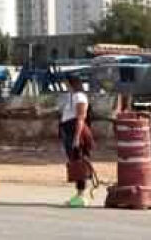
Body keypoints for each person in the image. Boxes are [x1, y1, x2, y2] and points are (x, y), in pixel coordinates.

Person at [59, 72, 94, 208]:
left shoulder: (80, 97)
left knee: (79, 163)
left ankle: (81, 195)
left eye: (66, 82)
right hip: (68, 130)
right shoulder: (71, 96)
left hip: (75, 130)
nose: (65, 84)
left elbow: (80, 118)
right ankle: (78, 193)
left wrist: (77, 137)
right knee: (74, 162)